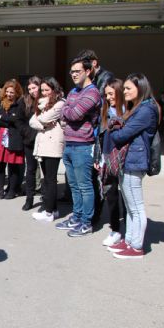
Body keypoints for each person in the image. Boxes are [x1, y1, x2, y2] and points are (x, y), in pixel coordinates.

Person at [107, 73, 159, 259]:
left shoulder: (145, 110)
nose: (125, 91)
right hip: (129, 160)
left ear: (141, 88)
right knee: (130, 206)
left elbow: (121, 135)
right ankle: (129, 240)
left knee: (136, 206)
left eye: (129, 88)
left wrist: (114, 126)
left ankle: (136, 246)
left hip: (135, 161)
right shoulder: (137, 108)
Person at [55, 57, 102, 237]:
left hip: (83, 146)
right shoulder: (74, 91)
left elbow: (72, 113)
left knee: (84, 186)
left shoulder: (92, 93)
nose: (73, 74)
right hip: (69, 144)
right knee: (74, 186)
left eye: (77, 71)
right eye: (72, 71)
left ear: (88, 71)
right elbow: (65, 112)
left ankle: (86, 222)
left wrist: (67, 111)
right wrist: (67, 111)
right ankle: (77, 216)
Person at [94, 78, 127, 245]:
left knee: (127, 196)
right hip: (107, 158)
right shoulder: (105, 112)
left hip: (124, 159)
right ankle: (115, 230)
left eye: (111, 94)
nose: (108, 98)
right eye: (106, 94)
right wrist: (97, 157)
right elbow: (98, 137)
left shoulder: (129, 111)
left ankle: (129, 230)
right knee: (111, 195)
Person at [30, 77, 65, 222]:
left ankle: (49, 212)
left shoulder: (60, 103)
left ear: (54, 89)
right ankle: (54, 209)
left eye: (47, 90)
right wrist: (43, 124)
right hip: (43, 142)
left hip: (53, 143)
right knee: (47, 178)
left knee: (50, 179)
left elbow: (44, 118)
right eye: (42, 90)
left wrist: (42, 120)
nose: (44, 93)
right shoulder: (41, 103)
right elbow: (33, 121)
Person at [0, 80, 26, 200]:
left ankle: (12, 189)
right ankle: (0, 190)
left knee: (13, 167)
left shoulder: (20, 104)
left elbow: (17, 120)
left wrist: (3, 118)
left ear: (17, 93)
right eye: (7, 92)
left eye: (12, 92)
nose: (9, 94)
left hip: (13, 137)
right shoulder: (0, 103)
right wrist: (7, 119)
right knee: (0, 166)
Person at [22, 76, 42, 210]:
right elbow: (19, 120)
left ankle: (47, 198)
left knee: (46, 171)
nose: (31, 91)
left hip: (45, 140)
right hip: (29, 140)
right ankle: (29, 198)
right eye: (29, 89)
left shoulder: (46, 100)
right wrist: (27, 133)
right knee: (30, 170)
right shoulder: (25, 101)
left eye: (34, 87)